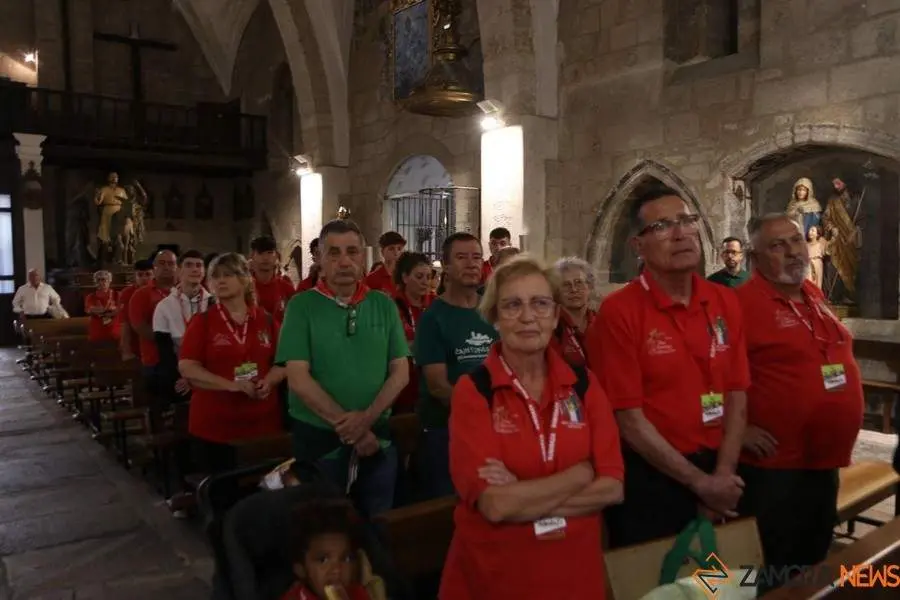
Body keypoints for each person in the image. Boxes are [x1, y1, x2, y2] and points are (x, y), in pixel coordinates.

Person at [442, 257, 624, 599]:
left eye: (540, 304)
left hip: (574, 576)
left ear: (556, 315)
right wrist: (580, 475)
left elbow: (612, 488)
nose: (528, 317)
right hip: (496, 576)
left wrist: (521, 495)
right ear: (495, 318)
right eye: (512, 305)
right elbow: (494, 505)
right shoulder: (475, 390)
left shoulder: (583, 384)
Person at [587, 186, 750, 549]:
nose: (681, 233)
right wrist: (699, 483)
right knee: (658, 586)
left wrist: (722, 474)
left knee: (721, 586)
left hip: (720, 468)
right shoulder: (620, 312)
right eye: (662, 226)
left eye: (687, 220)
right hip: (653, 476)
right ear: (638, 246)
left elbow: (737, 392)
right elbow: (627, 417)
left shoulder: (724, 300)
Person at [736, 213, 863, 594]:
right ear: (754, 258)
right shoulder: (739, 304)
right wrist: (736, 427)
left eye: (796, 241)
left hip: (823, 459)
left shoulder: (813, 294)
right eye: (778, 245)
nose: (793, 251)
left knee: (812, 558)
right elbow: (705, 374)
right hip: (775, 466)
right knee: (769, 566)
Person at [277, 219, 409, 518]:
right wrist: (353, 429)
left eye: (352, 251)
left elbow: (400, 372)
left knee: (378, 524)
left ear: (364, 257)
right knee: (324, 529)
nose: (344, 261)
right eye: (334, 253)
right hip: (320, 442)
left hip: (378, 438)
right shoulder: (301, 306)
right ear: (321, 260)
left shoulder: (383, 304)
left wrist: (366, 421)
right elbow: (298, 379)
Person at [178, 253, 286, 474]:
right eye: (215, 276)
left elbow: (284, 362)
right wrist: (232, 385)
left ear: (245, 279)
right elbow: (188, 367)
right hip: (216, 427)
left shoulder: (265, 320)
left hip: (262, 424)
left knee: (262, 495)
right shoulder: (203, 322)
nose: (220, 281)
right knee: (224, 496)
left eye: (228, 275)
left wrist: (269, 380)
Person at [415, 232, 499, 499]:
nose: (472, 264)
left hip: (496, 426)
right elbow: (438, 386)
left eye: (476, 257)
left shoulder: (491, 311)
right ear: (446, 266)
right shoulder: (433, 319)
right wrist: (483, 414)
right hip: (448, 430)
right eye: (462, 258)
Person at [281, 500, 376, 600]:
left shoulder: (357, 592)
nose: (337, 570)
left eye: (346, 559)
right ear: (300, 569)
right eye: (323, 560)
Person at [153, 250, 212, 402]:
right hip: (177, 374)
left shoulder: (214, 303)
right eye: (189, 265)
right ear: (179, 271)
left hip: (210, 373)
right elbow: (165, 350)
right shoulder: (164, 306)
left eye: (199, 265)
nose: (195, 269)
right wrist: (187, 377)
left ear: (204, 272)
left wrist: (198, 377)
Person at [391, 251, 435, 414]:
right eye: (419, 276)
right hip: (403, 386)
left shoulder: (437, 304)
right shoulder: (392, 307)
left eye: (428, 277)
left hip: (431, 385)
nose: (425, 282)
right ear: (405, 278)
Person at [129, 250, 178, 384]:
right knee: (160, 401)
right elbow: (139, 325)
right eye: (162, 263)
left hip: (185, 358)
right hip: (155, 358)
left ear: (177, 268)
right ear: (154, 268)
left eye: (171, 263)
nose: (167, 267)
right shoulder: (141, 294)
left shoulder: (183, 291)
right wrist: (169, 343)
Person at [251, 235, 296, 321]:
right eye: (260, 253)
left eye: (270, 252)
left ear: (276, 256)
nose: (265, 258)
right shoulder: (244, 288)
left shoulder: (286, 288)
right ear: (253, 256)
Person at [118, 259, 154, 360]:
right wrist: (126, 349)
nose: (144, 278)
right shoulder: (127, 293)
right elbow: (125, 323)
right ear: (135, 276)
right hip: (135, 343)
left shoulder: (159, 290)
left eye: (148, 274)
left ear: (154, 274)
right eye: (140, 275)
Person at [84, 270, 119, 342]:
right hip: (97, 334)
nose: (100, 282)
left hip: (115, 334)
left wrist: (101, 311)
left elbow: (120, 309)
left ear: (109, 281)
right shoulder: (90, 297)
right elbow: (90, 309)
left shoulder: (117, 295)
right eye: (98, 280)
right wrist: (109, 310)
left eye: (103, 279)